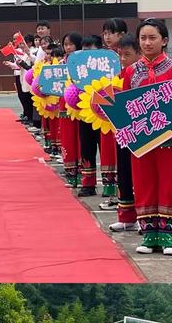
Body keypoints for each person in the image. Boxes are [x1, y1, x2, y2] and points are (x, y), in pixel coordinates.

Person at [122, 19, 172, 255]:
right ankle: (150, 235)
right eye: (143, 38)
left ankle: (169, 236)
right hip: (141, 140)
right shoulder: (131, 71)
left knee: (169, 183)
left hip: (169, 140)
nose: (147, 43)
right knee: (143, 183)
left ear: (164, 41)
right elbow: (124, 102)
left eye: (152, 38)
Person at [109, 34, 140, 232]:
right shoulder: (122, 74)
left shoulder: (139, 72)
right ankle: (126, 215)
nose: (122, 59)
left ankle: (144, 218)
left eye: (127, 54)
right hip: (124, 131)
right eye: (120, 55)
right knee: (125, 172)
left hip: (145, 131)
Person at [99, 18, 128, 210]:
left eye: (112, 32)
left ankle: (124, 197)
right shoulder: (100, 57)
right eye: (105, 32)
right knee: (108, 152)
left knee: (123, 157)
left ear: (123, 35)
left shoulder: (127, 56)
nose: (107, 36)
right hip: (105, 111)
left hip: (125, 113)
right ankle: (113, 195)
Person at [77, 35, 103, 197]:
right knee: (86, 147)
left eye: (91, 50)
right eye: (84, 50)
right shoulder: (79, 67)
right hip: (86, 112)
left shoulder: (109, 65)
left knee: (107, 150)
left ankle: (111, 186)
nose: (87, 54)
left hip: (105, 114)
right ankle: (88, 183)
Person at [60, 32, 83, 187]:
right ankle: (70, 174)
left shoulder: (82, 62)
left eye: (71, 44)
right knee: (67, 138)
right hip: (63, 104)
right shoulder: (60, 63)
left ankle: (82, 175)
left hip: (79, 106)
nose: (68, 47)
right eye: (65, 44)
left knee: (80, 140)